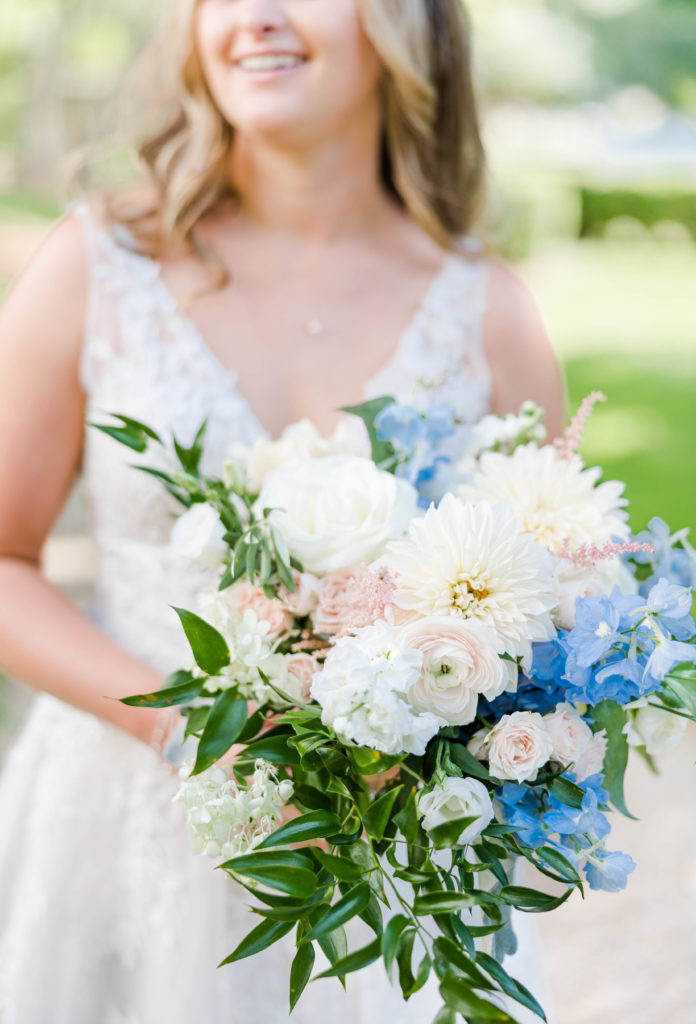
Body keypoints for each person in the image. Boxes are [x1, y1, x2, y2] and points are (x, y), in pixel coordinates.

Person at [0, 1, 564, 1021]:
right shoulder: (98, 266)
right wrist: (186, 727)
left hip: (385, 879)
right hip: (122, 839)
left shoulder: (493, 314)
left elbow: (552, 608)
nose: (254, 16)